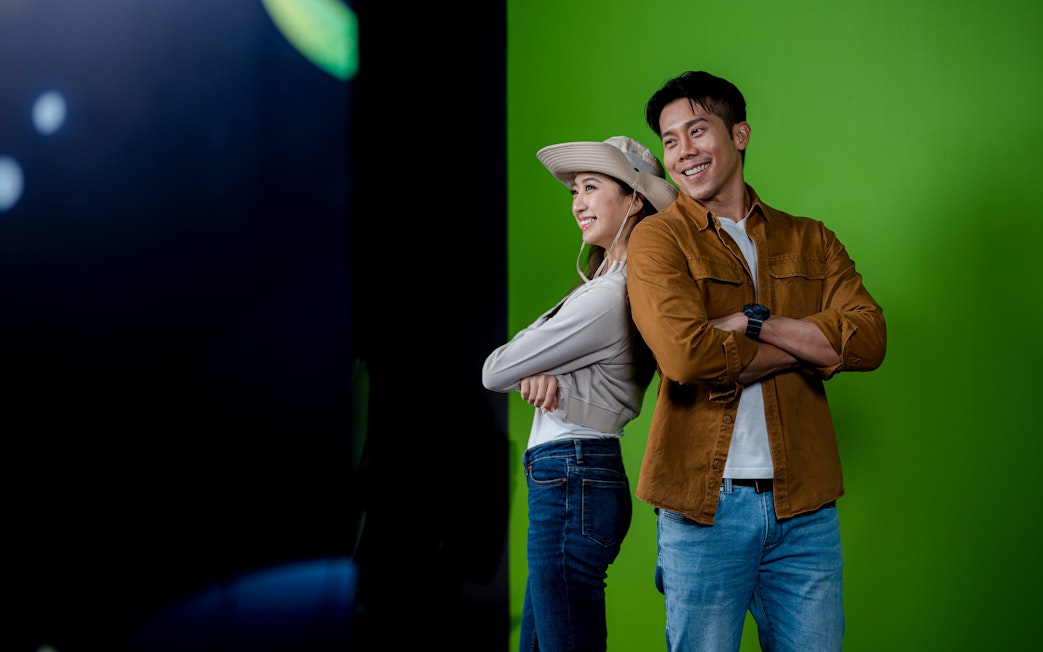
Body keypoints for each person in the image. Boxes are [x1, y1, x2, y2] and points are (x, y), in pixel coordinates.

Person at [625, 70, 888, 652]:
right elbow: (684, 357)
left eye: (697, 130)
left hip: (805, 511)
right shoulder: (659, 241)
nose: (683, 152)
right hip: (704, 509)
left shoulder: (811, 240)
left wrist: (754, 321)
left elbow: (869, 340)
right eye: (670, 141)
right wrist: (808, 348)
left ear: (739, 134)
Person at [482, 135, 678, 652]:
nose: (577, 203)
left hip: (572, 477)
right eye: (574, 191)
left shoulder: (610, 295)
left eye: (592, 187)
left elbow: (496, 369)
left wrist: (543, 366)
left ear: (634, 199)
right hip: (575, 475)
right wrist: (557, 376)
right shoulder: (609, 283)